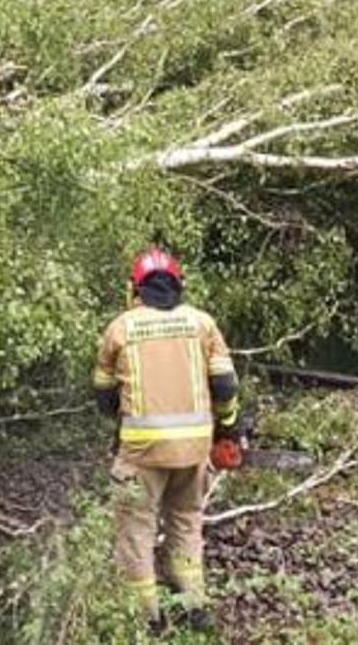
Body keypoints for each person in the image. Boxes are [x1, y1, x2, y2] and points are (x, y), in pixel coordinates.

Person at [93, 247, 240, 633]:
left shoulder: (120, 328)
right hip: (193, 452)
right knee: (186, 523)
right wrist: (226, 429)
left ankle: (148, 619)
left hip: (141, 453)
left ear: (135, 288)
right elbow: (225, 385)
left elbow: (104, 398)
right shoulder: (202, 324)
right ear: (180, 284)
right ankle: (193, 606)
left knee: (136, 530)